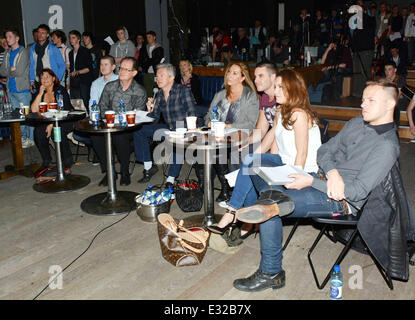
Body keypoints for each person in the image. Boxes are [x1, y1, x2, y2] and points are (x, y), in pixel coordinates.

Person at [231, 79, 401, 292]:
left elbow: (356, 192)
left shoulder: (386, 146)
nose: (362, 104)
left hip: (341, 201)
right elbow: (324, 151)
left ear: (389, 105)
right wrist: (332, 173)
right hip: (319, 178)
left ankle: (271, 272)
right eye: (363, 99)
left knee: (270, 204)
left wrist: (314, 181)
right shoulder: (357, 123)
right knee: (254, 165)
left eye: (371, 100)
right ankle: (266, 202)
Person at [207, 69, 321, 237]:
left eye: (280, 87)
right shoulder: (281, 109)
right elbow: (270, 135)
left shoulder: (299, 114)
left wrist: (296, 179)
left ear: (293, 89)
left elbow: (302, 153)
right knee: (250, 163)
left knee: (251, 168)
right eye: (276, 87)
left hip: (304, 170)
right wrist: (255, 157)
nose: (275, 91)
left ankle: (238, 217)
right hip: (284, 162)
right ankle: (234, 213)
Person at [201, 62, 259, 202]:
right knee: (207, 150)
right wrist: (209, 122)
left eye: (234, 73)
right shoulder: (220, 95)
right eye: (228, 72)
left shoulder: (250, 96)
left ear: (243, 77)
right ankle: (225, 187)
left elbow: (251, 123)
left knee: (231, 151)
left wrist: (228, 126)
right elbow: (208, 115)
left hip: (239, 136)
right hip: (219, 135)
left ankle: (233, 190)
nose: (229, 75)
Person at [133, 63, 196, 186]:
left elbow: (192, 113)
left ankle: (171, 178)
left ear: (171, 78)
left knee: (177, 143)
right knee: (139, 130)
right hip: (168, 128)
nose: (158, 79)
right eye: (157, 76)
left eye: (162, 76)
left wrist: (185, 132)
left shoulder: (182, 90)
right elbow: (155, 118)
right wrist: (148, 111)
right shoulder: (160, 94)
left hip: (183, 128)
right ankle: (148, 166)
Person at [92, 57, 147, 186]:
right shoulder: (110, 87)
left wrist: (123, 120)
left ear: (134, 73)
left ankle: (124, 171)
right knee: (96, 136)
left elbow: (138, 116)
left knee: (120, 137)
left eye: (126, 69)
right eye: (120, 68)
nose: (121, 71)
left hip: (129, 128)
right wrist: (109, 118)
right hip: (110, 124)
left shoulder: (139, 91)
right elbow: (102, 107)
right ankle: (109, 171)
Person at [31, 68, 74, 171]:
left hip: (64, 119)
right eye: (42, 78)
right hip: (47, 121)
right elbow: (33, 109)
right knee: (38, 132)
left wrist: (51, 125)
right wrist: (40, 93)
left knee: (57, 130)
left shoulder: (60, 90)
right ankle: (47, 160)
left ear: (53, 78)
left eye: (47, 77)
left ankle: (67, 159)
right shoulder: (40, 92)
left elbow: (63, 109)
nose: (44, 80)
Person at [0, 27, 34, 148]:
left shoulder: (23, 51)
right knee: (16, 117)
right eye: (6, 37)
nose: (7, 39)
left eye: (9, 36)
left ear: (17, 38)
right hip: (11, 89)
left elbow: (19, 72)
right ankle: (21, 137)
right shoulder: (7, 53)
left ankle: (29, 138)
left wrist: (9, 71)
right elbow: (2, 71)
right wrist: (11, 70)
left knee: (25, 116)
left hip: (22, 90)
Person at [29, 24, 66, 91]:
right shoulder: (32, 48)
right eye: (39, 32)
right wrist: (31, 81)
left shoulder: (52, 48)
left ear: (47, 35)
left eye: (43, 33)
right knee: (39, 101)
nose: (40, 34)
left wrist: (57, 79)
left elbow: (62, 65)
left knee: (51, 101)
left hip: (50, 81)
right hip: (37, 81)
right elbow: (32, 66)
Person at [351, 7, 376, 98]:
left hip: (366, 50)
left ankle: (367, 92)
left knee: (365, 71)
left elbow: (368, 32)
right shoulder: (357, 22)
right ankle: (357, 92)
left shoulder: (369, 20)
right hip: (357, 50)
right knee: (357, 71)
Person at [68, 30, 93, 110]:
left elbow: (89, 68)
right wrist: (69, 82)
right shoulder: (70, 53)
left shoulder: (85, 51)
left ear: (78, 39)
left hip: (84, 81)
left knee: (85, 102)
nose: (71, 40)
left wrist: (78, 72)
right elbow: (71, 69)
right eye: (70, 38)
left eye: (73, 38)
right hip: (74, 81)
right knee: (75, 103)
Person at [139, 31, 164, 98]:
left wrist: (147, 62)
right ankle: (149, 107)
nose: (148, 39)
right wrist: (143, 65)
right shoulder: (145, 48)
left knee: (158, 91)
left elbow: (156, 61)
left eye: (149, 37)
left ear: (154, 37)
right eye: (147, 37)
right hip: (147, 72)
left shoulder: (159, 48)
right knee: (148, 92)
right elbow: (142, 59)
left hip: (156, 73)